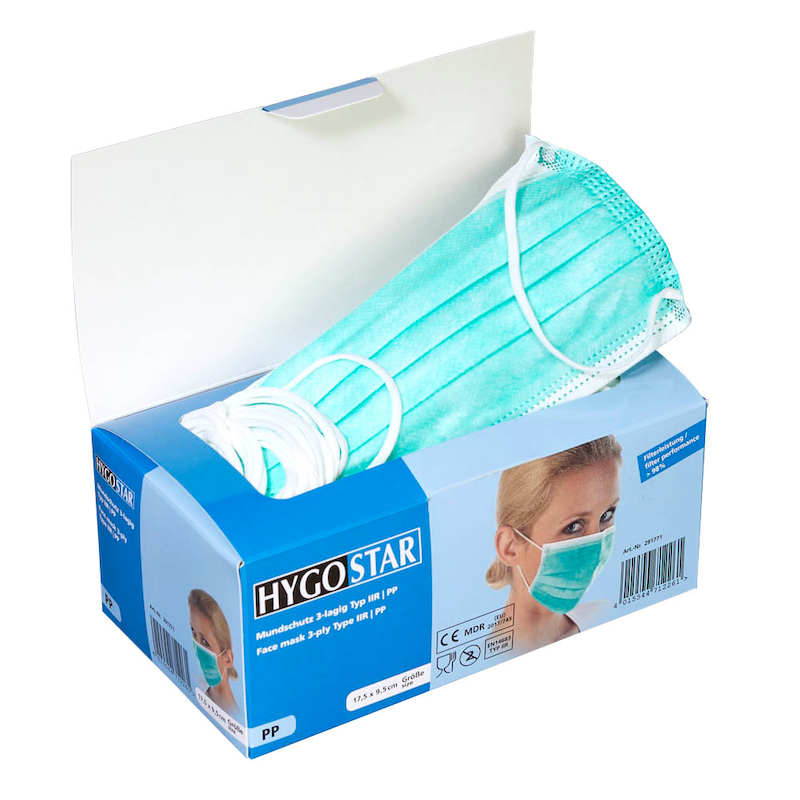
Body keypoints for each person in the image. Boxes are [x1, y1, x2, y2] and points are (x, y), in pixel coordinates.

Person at [486, 436, 622, 651]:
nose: (596, 545)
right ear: (510, 547)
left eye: (606, 515)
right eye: (573, 526)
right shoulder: (487, 659)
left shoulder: (608, 616)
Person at [188, 588, 240, 716]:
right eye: (193, 632)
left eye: (204, 641)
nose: (197, 646)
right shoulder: (195, 689)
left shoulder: (236, 716)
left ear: (227, 659)